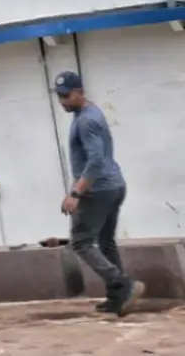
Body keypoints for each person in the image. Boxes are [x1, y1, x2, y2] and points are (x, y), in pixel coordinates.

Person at [54, 70, 144, 317]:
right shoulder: (90, 112)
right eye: (59, 96)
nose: (62, 101)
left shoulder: (86, 121)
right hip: (113, 186)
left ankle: (122, 284)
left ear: (80, 92)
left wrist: (75, 194)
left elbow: (95, 161)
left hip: (98, 190)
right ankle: (118, 297)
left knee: (81, 242)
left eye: (66, 96)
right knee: (106, 242)